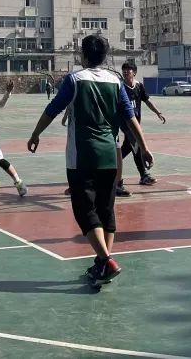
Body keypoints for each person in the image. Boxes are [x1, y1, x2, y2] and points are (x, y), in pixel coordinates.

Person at [27, 35, 154, 287]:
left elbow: (53, 109)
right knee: (106, 210)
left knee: (85, 211)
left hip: (82, 156)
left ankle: (106, 260)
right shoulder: (116, 81)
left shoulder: (75, 80)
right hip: (109, 155)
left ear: (82, 55)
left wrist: (35, 134)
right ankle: (102, 264)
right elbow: (130, 116)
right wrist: (145, 147)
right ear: (105, 56)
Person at [116, 61, 166, 193]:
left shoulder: (138, 86)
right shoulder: (120, 87)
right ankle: (144, 175)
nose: (125, 72)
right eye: (124, 70)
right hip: (125, 124)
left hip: (136, 123)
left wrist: (158, 112)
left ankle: (109, 165)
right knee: (136, 146)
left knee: (128, 148)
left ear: (134, 72)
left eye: (128, 70)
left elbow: (147, 100)